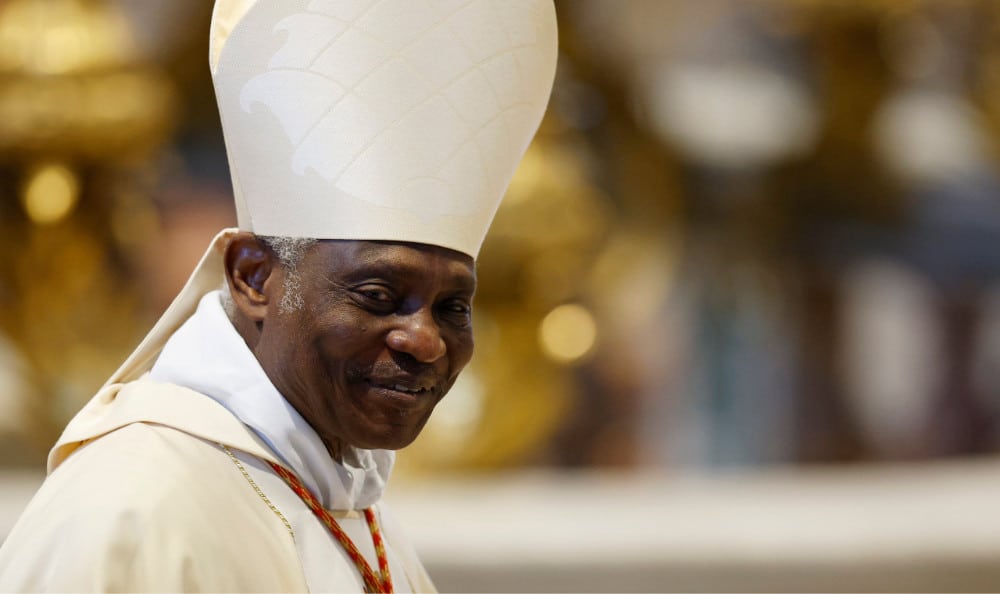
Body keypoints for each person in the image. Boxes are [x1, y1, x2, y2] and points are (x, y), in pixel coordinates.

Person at [0, 0, 557, 591]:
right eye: (376, 294)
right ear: (252, 276)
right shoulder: (132, 508)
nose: (424, 340)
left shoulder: (350, 505)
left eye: (452, 308)